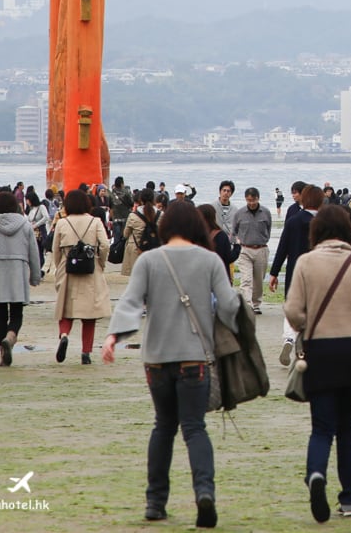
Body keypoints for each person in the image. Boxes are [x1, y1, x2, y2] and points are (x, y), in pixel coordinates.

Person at [102, 199, 241, 528]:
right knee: (194, 428)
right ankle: (204, 493)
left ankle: (155, 502)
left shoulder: (150, 260)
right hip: (195, 358)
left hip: (157, 361)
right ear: (196, 226)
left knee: (163, 428)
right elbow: (228, 306)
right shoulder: (209, 260)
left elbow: (131, 302)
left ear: (164, 227)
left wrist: (113, 337)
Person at [285, 204, 351, 523]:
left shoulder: (305, 263)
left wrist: (307, 325)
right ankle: (350, 500)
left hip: (320, 349)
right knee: (347, 427)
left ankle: (316, 474)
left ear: (316, 231)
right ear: (347, 230)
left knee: (322, 427)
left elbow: (291, 311)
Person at [0, 190, 43, 367]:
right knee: (16, 313)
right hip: (18, 271)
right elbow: (33, 253)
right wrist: (35, 276)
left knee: (0, 314)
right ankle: (10, 338)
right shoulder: (24, 224)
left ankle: (2, 350)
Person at [52, 188, 111, 366]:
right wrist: (100, 262)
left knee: (65, 310)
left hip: (68, 266)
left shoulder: (62, 223)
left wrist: (59, 266)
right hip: (90, 266)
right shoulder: (95, 221)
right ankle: (86, 352)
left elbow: (55, 249)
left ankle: (64, 335)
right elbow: (106, 244)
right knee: (89, 314)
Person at [230, 187, 273, 315]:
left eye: (253, 200)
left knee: (259, 280)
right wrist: (236, 243)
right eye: (249, 200)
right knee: (246, 279)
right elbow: (234, 231)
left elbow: (268, 229)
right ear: (245, 199)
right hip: (245, 249)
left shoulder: (265, 212)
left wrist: (263, 240)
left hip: (261, 248)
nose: (251, 203)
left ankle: (256, 303)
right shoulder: (240, 213)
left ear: (258, 198)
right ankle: (247, 305)